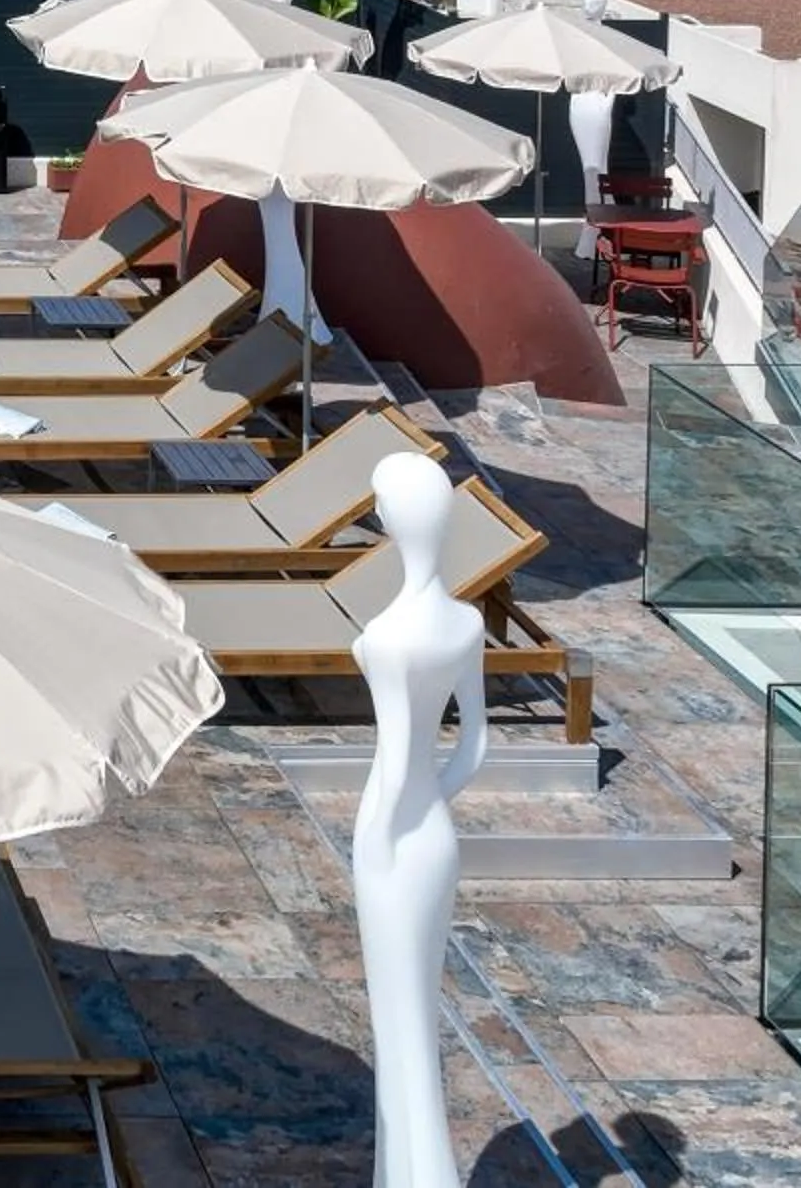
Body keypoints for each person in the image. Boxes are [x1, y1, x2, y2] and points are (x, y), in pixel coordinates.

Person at [351, 452, 488, 1188]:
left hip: (393, 835)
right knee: (415, 1021)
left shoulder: (392, 633)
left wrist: (382, 835)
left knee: (401, 1037)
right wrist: (430, 807)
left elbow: (401, 764)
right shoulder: (464, 621)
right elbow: (474, 748)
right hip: (437, 832)